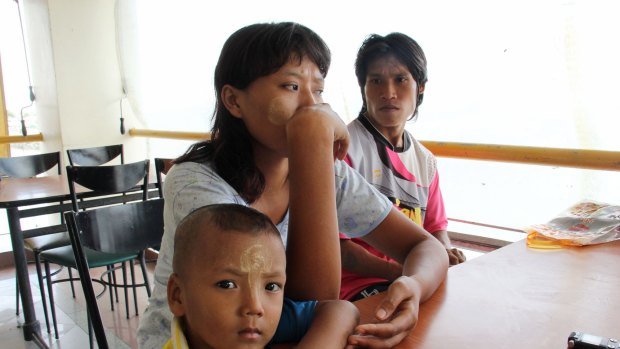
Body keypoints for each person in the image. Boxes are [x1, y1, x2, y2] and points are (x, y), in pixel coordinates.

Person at [138, 22, 448, 349]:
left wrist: (413, 286)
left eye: (319, 90)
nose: (312, 106)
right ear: (233, 101)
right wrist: (312, 143)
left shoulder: (328, 172)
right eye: (290, 86)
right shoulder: (196, 182)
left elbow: (426, 247)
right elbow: (303, 301)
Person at [339, 33, 466, 302]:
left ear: (420, 86)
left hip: (411, 278)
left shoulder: (425, 161)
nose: (388, 93)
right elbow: (341, 250)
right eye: (376, 81)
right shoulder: (343, 151)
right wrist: (408, 274)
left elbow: (435, 229)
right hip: (355, 289)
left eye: (400, 79)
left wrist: (444, 256)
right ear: (363, 87)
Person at [165, 203, 358, 348]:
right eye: (227, 285)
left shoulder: (251, 325)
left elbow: (342, 310)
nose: (255, 306)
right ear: (178, 295)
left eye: (271, 286)